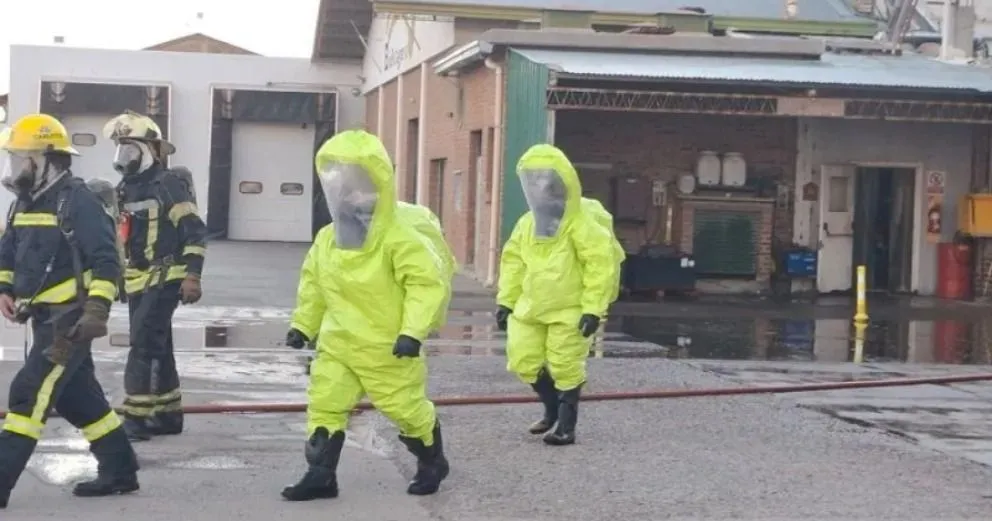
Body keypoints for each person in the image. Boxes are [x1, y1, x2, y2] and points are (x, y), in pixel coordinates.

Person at [282, 129, 453, 501]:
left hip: (387, 347)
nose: (351, 194)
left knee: (405, 409)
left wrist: (412, 332)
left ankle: (432, 461)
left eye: (359, 184)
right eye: (342, 185)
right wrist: (303, 325)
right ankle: (321, 475)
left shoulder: (399, 237)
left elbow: (425, 285)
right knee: (325, 403)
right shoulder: (329, 238)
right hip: (338, 344)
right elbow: (314, 284)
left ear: (379, 184)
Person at [0, 113, 139, 508]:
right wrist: (5, 287)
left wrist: (96, 310)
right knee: (77, 397)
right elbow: (8, 251)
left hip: (70, 321)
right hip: (42, 317)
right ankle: (120, 469)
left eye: (21, 158)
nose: (14, 167)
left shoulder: (79, 201)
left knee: (29, 392)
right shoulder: (24, 203)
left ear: (46, 159)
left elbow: (107, 261)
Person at [495, 143, 621, 446]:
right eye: (533, 180)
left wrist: (592, 309)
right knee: (523, 360)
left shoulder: (581, 224)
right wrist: (506, 301)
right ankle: (551, 409)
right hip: (530, 307)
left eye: (546, 179)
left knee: (565, 364)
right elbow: (513, 263)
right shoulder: (527, 224)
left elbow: (599, 267)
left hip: (570, 309)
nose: (539, 187)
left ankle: (566, 425)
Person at [102, 111, 207, 441]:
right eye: (121, 149)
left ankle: (136, 418)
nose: (124, 156)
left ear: (150, 150)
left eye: (130, 149)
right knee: (158, 346)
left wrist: (192, 276)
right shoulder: (125, 189)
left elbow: (194, 231)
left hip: (166, 277)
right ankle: (167, 414)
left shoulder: (167, 184)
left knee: (143, 345)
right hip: (138, 280)